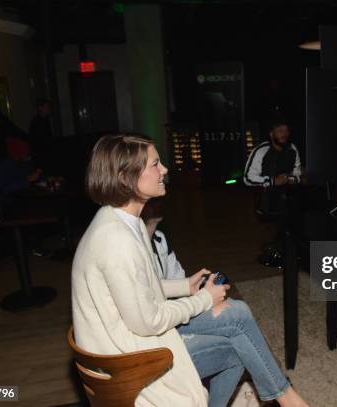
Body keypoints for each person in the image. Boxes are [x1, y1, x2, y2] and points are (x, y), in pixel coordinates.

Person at [72, 134, 309, 407]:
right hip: (130, 358)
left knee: (238, 314)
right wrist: (203, 300)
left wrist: (185, 287)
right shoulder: (117, 242)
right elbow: (148, 322)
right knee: (237, 350)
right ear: (127, 177)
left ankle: (285, 396)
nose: (164, 170)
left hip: (135, 334)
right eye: (155, 164)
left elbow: (141, 288)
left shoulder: (126, 221)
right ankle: (287, 398)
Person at [243, 118, 302, 267]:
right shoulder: (261, 150)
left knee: (296, 215)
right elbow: (247, 178)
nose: (284, 134)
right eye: (280, 131)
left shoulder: (292, 148)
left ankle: (287, 253)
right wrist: (272, 181)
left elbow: (298, 171)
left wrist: (293, 178)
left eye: (286, 131)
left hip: (288, 195)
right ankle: (276, 252)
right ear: (271, 134)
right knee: (282, 220)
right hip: (267, 197)